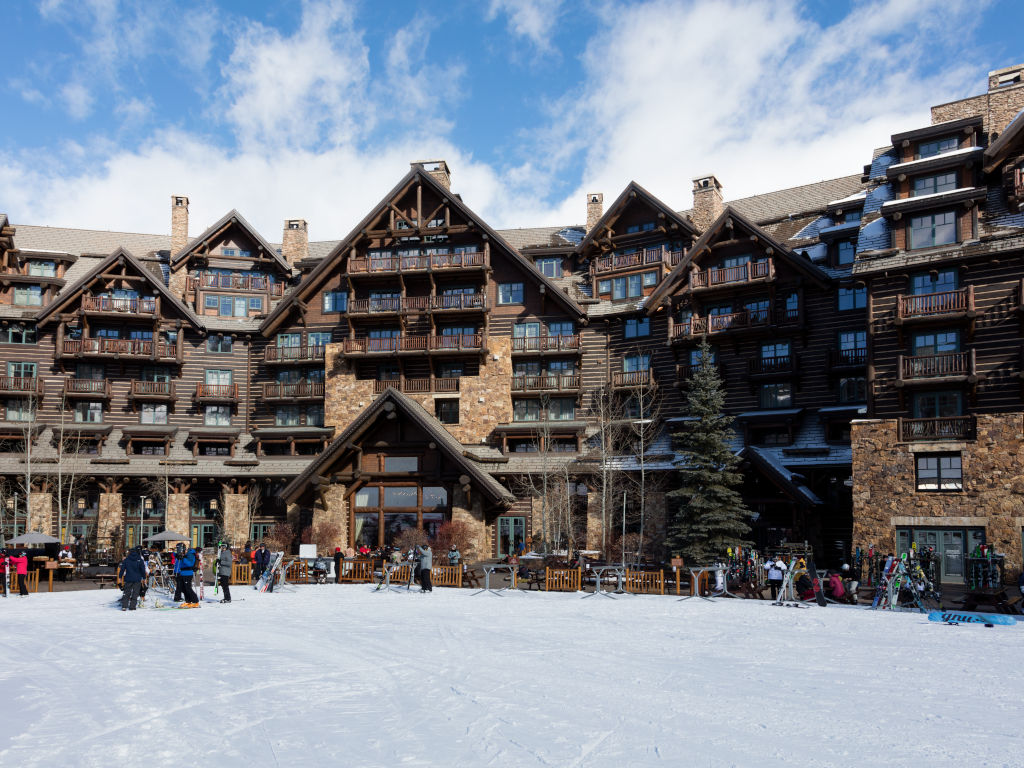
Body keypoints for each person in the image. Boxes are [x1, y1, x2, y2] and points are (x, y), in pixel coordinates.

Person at [118, 547, 148, 611]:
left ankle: (124, 606)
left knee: (126, 592)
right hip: (137, 578)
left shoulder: (126, 560)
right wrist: (144, 578)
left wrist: (120, 577)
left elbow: (122, 569)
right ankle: (132, 606)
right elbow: (143, 570)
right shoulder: (140, 560)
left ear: (129, 553)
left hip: (128, 578)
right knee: (135, 593)